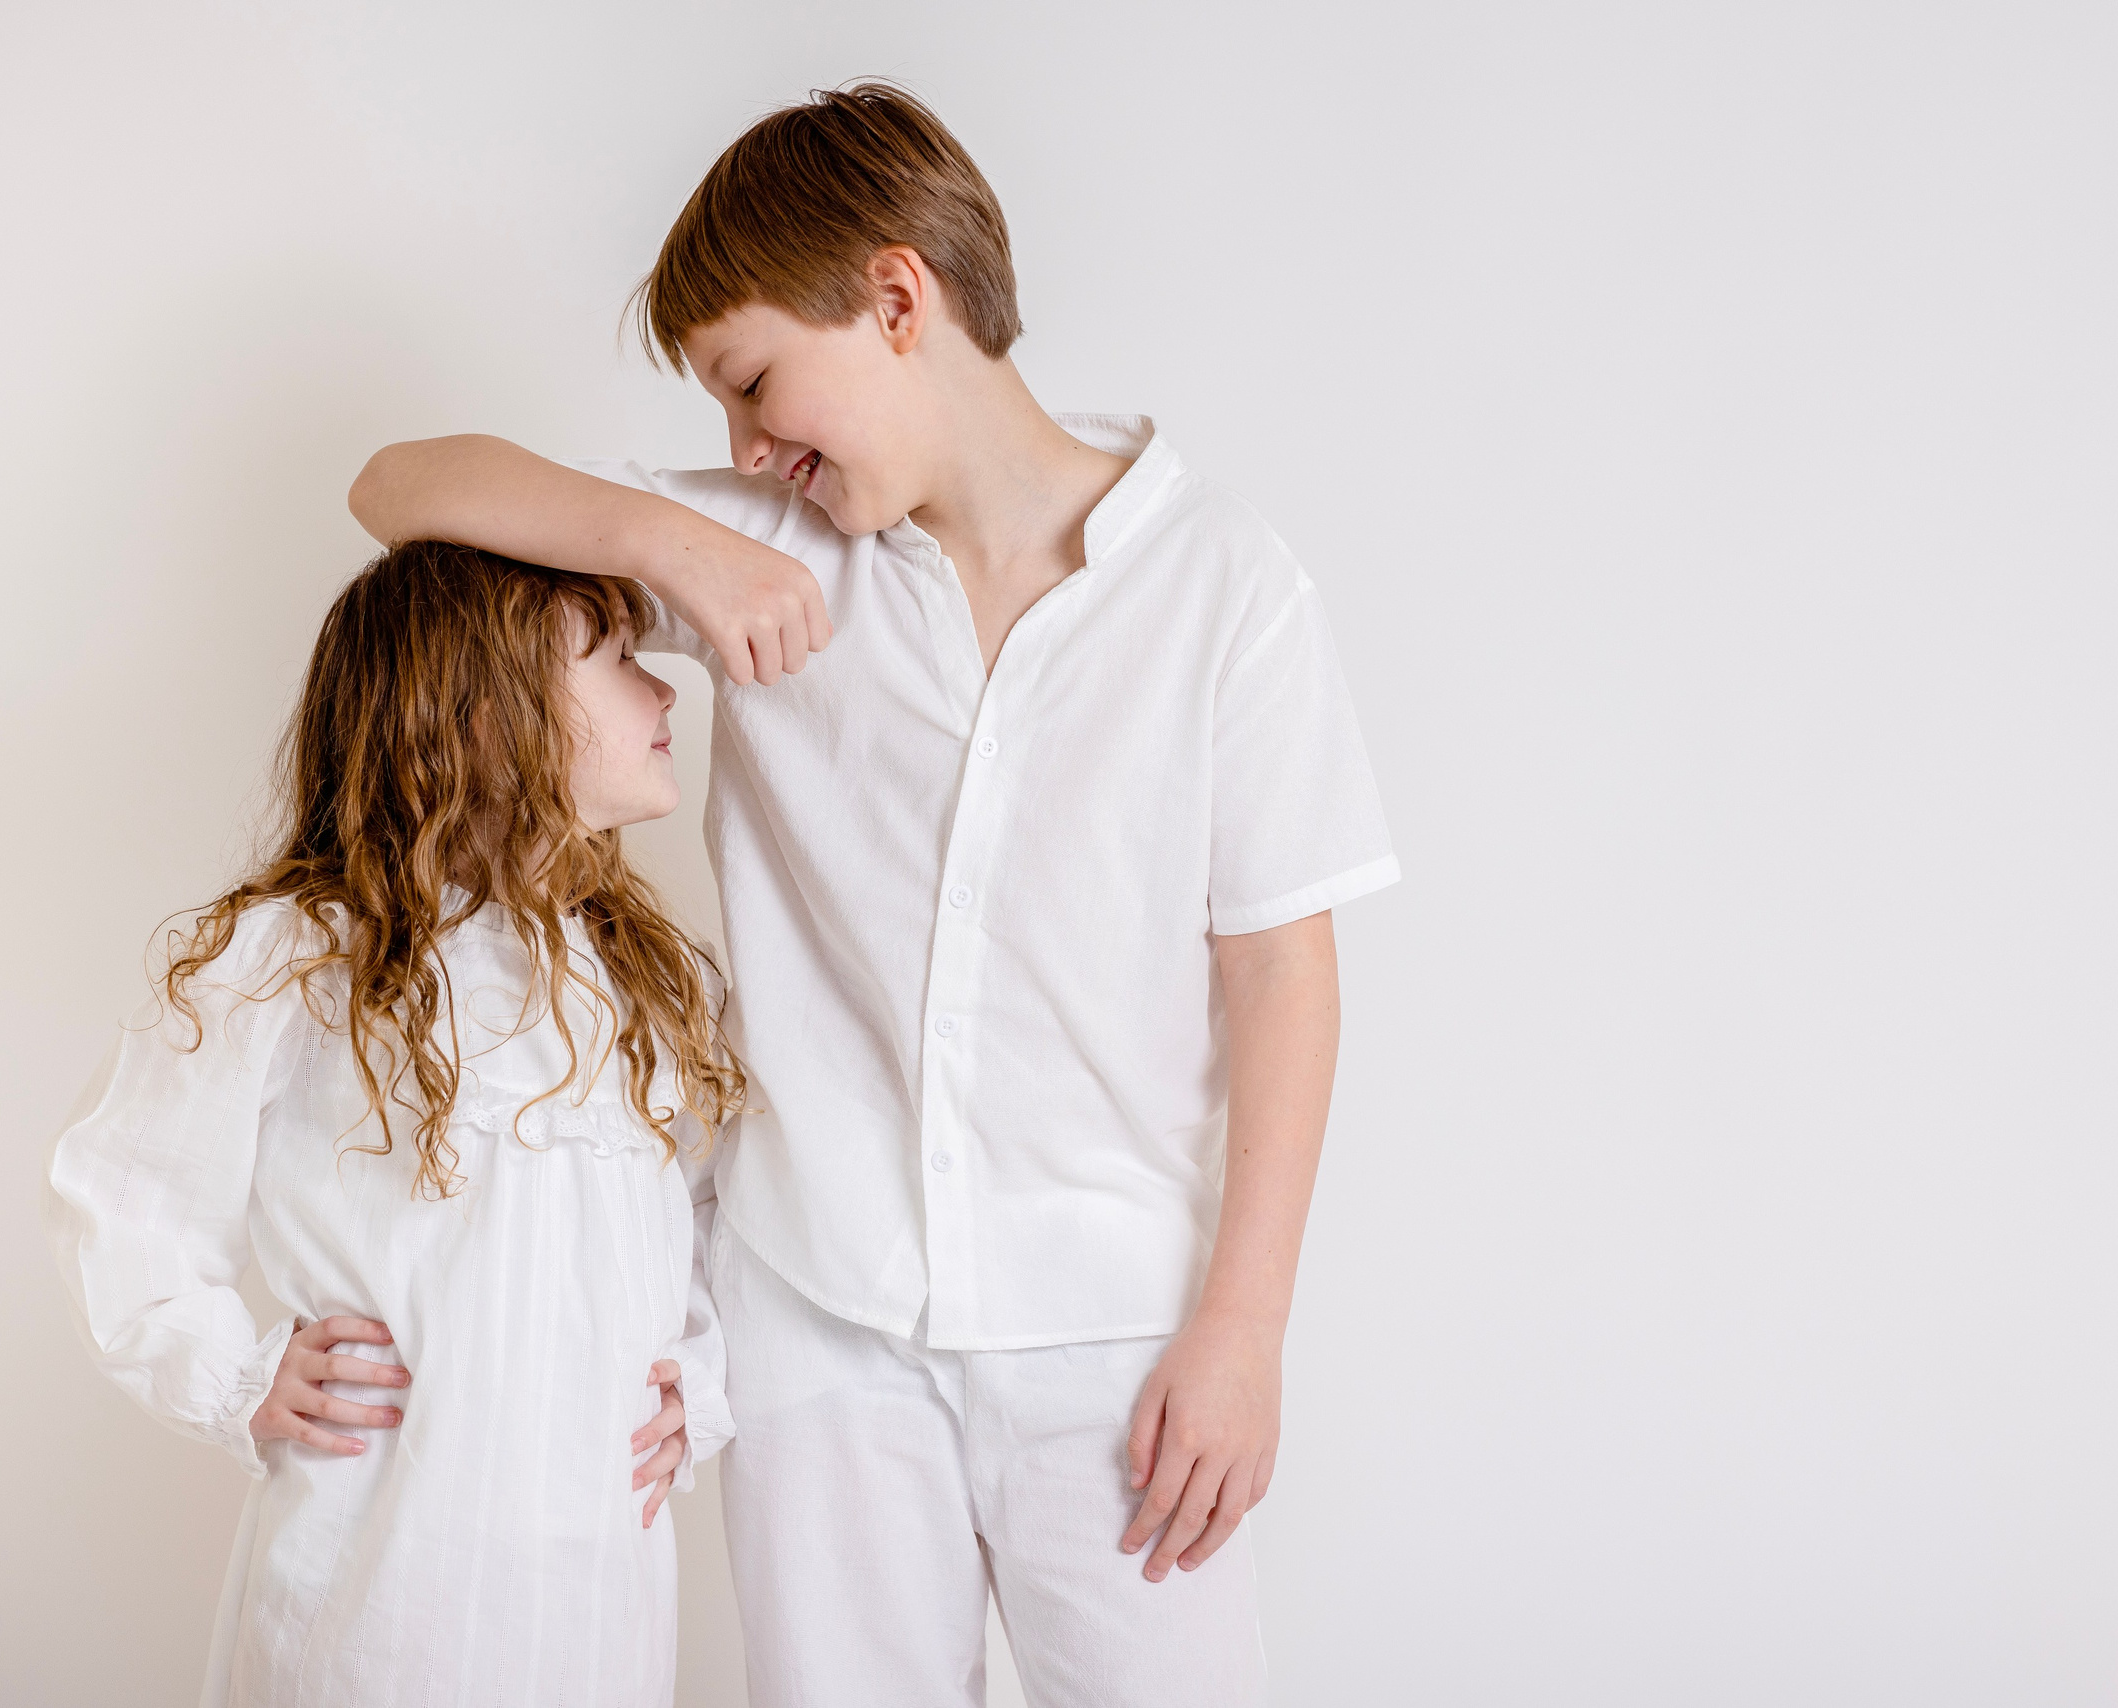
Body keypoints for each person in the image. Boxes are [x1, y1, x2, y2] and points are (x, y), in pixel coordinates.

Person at [350, 83, 1399, 1707]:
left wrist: (1245, 1327)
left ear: (897, 298)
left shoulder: (1224, 587)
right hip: (817, 1323)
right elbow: (395, 485)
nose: (746, 447)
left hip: (1118, 1335)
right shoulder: (768, 545)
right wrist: (669, 544)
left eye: (754, 380)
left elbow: (1281, 974)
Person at [47, 540, 743, 1708]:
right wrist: (229, 1375)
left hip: (596, 1585)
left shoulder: (642, 977)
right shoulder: (304, 956)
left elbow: (716, 1205)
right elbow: (122, 1193)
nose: (665, 689)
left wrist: (698, 1377)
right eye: (619, 660)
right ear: (486, 716)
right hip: (381, 1587)